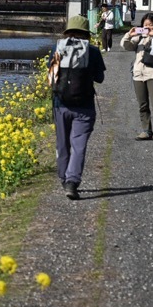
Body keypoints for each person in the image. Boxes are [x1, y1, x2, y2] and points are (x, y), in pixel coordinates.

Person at [49, 14, 106, 200]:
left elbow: (51, 76)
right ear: (87, 33)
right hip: (84, 106)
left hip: (60, 105)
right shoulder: (93, 51)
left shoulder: (57, 49)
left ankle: (63, 177)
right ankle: (72, 182)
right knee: (78, 145)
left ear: (67, 32)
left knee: (62, 144)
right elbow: (100, 78)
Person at [119, 12, 153, 142]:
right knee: (142, 104)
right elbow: (125, 46)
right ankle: (146, 130)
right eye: (145, 25)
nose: (148, 27)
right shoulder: (139, 38)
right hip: (138, 74)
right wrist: (129, 34)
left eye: (151, 24)